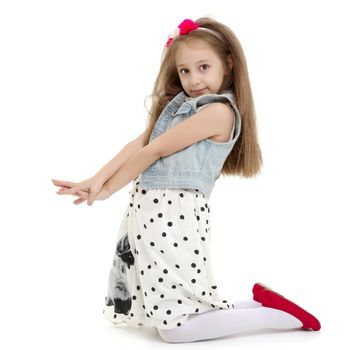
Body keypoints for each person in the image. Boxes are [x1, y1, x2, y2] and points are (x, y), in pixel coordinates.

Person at [52, 17, 321, 343]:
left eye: (204, 67)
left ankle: (280, 317)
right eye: (185, 71)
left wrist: (107, 189)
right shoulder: (184, 107)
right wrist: (95, 179)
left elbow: (153, 151)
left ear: (229, 64)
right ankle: (256, 303)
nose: (194, 79)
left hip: (173, 216)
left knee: (176, 331)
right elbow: (138, 144)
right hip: (151, 213)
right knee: (181, 307)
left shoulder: (219, 112)